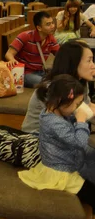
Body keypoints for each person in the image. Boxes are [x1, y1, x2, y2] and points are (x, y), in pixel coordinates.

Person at [18, 75, 95, 209]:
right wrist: (81, 121)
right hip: (61, 173)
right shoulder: (53, 122)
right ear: (61, 100)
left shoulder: (53, 112)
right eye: (77, 104)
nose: (78, 108)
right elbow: (79, 143)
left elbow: (70, 127)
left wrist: (81, 113)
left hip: (70, 162)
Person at [22, 40, 95, 134]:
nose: (93, 65)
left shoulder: (81, 82)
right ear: (74, 62)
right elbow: (64, 125)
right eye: (89, 61)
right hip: (37, 138)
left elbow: (87, 105)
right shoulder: (53, 88)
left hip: (63, 136)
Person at [6, 11, 60, 88]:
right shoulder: (25, 36)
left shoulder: (51, 39)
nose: (52, 26)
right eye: (48, 24)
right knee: (48, 84)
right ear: (39, 28)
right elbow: (9, 54)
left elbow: (60, 54)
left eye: (52, 23)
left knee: (61, 78)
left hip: (41, 71)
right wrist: (12, 60)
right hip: (25, 73)